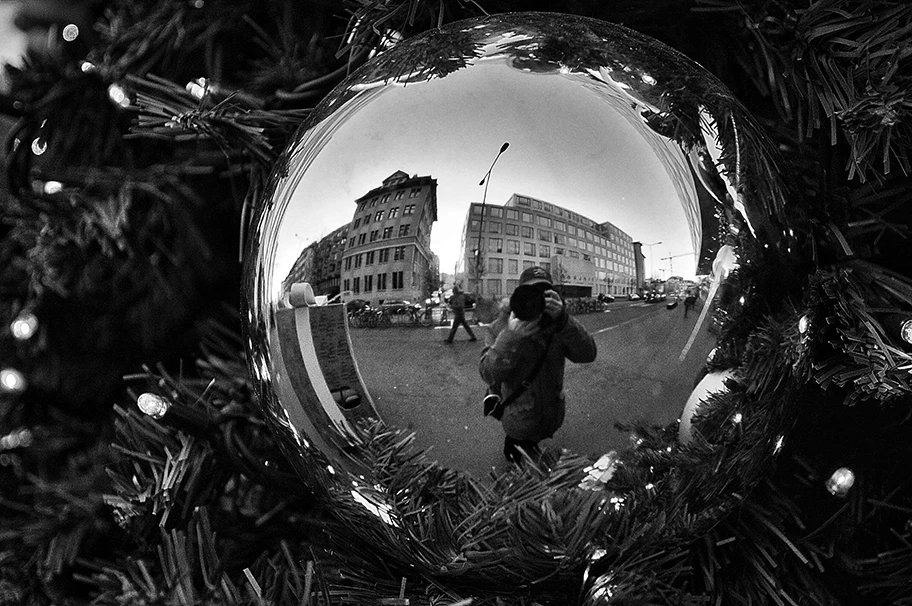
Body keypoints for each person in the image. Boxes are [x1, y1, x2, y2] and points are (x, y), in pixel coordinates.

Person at [479, 266, 597, 464]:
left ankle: (531, 446)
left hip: (551, 415)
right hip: (519, 420)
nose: (537, 299)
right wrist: (510, 337)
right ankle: (514, 450)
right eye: (531, 292)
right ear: (519, 295)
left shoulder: (557, 325)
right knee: (518, 457)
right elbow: (488, 374)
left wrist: (564, 320)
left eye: (544, 293)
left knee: (534, 445)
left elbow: (587, 354)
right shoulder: (501, 326)